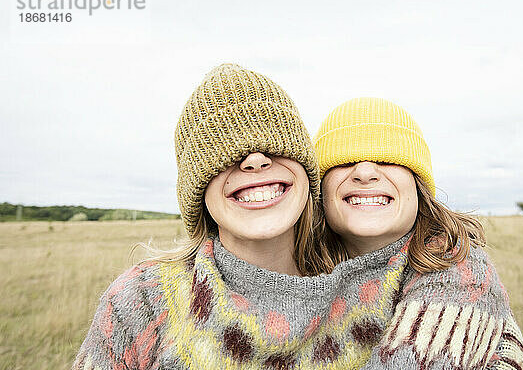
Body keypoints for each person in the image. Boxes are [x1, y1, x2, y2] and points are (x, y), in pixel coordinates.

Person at [72, 65, 412, 369]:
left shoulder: (387, 288)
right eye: (222, 155)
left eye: (276, 145)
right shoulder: (142, 300)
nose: (254, 160)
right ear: (197, 192)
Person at [314, 97, 523, 369]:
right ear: (320, 188)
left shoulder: (459, 271)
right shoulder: (297, 270)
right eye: (343, 161)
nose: (365, 172)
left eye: (386, 158)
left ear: (418, 185)